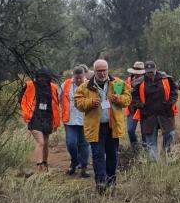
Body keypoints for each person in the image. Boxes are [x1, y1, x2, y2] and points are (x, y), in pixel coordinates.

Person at [74, 59, 131, 192]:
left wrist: (119, 99)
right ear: (94, 71)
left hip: (113, 127)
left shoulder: (118, 83)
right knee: (98, 155)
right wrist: (89, 102)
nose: (102, 73)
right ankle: (101, 184)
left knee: (112, 155)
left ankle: (111, 182)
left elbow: (128, 99)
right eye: (99, 71)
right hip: (96, 128)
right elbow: (77, 103)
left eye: (104, 70)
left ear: (108, 70)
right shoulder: (85, 86)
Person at [132, 60, 178, 160]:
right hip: (148, 115)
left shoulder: (166, 79)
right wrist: (141, 105)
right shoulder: (139, 83)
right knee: (150, 141)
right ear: (145, 71)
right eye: (148, 72)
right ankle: (155, 164)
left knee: (170, 134)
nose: (150, 73)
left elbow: (174, 91)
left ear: (156, 69)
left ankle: (167, 156)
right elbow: (134, 97)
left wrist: (171, 102)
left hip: (165, 113)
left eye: (152, 71)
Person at [20, 66, 61, 173]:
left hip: (48, 117)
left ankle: (45, 163)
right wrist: (26, 114)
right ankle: (39, 166)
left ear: (48, 78)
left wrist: (56, 122)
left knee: (46, 143)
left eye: (44, 77)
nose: (42, 79)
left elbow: (56, 105)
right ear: (37, 77)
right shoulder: (30, 85)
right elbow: (21, 100)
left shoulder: (53, 87)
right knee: (40, 142)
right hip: (34, 117)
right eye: (40, 77)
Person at [60, 65, 90, 178]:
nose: (78, 80)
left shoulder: (90, 85)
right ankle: (74, 160)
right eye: (76, 78)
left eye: (80, 78)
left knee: (84, 144)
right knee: (71, 143)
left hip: (85, 120)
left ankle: (84, 168)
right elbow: (59, 99)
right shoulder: (66, 84)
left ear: (84, 76)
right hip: (70, 119)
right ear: (73, 76)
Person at [125, 61, 145, 148]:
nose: (137, 74)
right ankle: (135, 147)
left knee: (145, 131)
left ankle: (145, 148)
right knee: (130, 130)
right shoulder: (129, 80)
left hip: (143, 108)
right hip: (132, 109)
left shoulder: (146, 80)